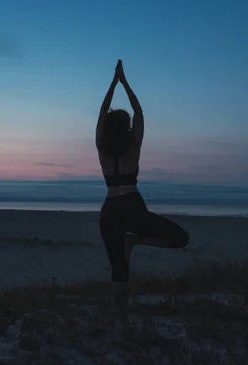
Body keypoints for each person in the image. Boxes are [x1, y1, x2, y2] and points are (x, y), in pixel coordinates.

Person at [96, 60, 190, 325]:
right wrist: (124, 82)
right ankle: (135, 241)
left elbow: (102, 111)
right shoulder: (133, 146)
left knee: (119, 269)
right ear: (126, 127)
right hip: (132, 208)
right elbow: (138, 111)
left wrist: (113, 83)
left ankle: (122, 319)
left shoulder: (101, 147)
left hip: (109, 211)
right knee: (181, 238)